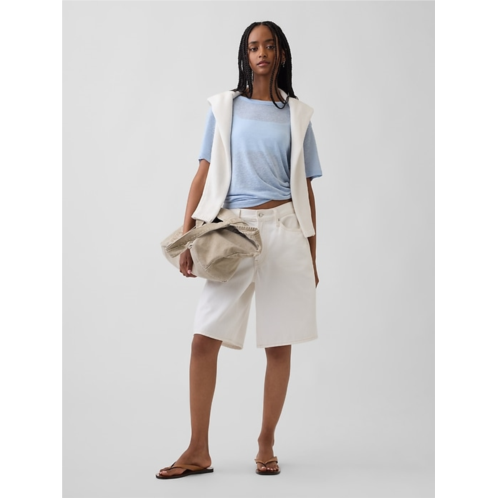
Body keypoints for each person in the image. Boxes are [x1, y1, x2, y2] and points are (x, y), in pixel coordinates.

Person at [156, 20, 322, 480]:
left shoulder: (298, 116)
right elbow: (202, 176)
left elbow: (307, 191)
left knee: (279, 344)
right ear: (245, 56)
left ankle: (266, 442)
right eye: (253, 47)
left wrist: (313, 255)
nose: (261, 53)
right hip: (233, 232)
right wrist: (188, 236)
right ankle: (198, 450)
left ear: (281, 53)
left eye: (269, 45)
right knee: (203, 340)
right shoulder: (224, 108)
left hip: (286, 232)